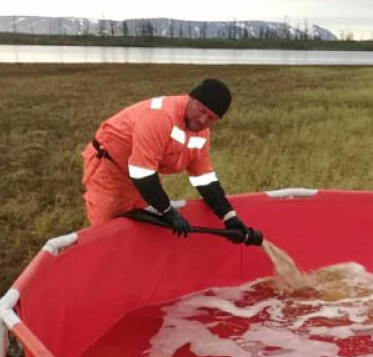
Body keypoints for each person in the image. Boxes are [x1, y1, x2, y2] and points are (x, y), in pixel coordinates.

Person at [81, 78, 255, 240]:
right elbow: (142, 175)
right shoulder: (160, 116)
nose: (203, 120)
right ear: (191, 98)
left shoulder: (202, 134)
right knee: (105, 235)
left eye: (211, 118)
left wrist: (229, 216)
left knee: (138, 232)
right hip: (110, 170)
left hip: (142, 179)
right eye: (201, 111)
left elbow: (204, 180)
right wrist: (168, 212)